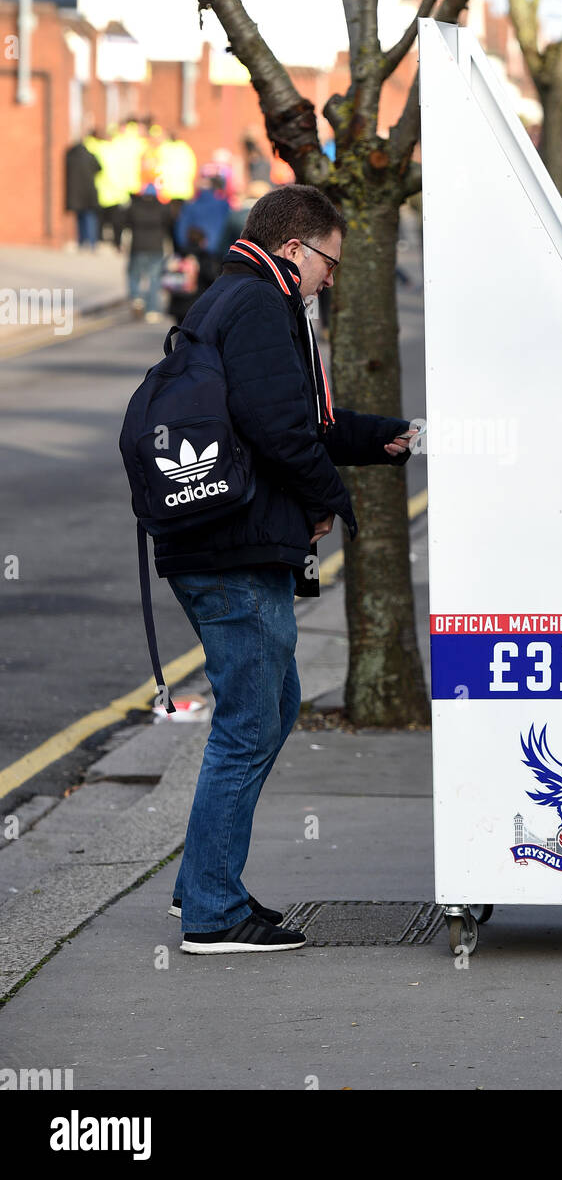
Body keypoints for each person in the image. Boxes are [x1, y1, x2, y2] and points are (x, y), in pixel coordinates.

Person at [154, 184, 418, 954]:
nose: (332, 279)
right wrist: (333, 500)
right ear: (295, 249)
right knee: (249, 720)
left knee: (271, 705)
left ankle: (203, 881)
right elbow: (280, 430)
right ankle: (210, 910)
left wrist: (389, 437)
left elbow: (299, 424)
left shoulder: (230, 299)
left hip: (217, 541)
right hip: (233, 548)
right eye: (329, 263)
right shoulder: (261, 307)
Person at [125, 183, 174, 321]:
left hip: (137, 246)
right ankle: (152, 310)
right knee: (154, 279)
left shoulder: (134, 207)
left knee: (134, 275)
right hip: (156, 247)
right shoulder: (162, 208)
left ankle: (137, 297)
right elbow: (169, 225)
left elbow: (124, 222)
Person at [174, 174, 232, 260]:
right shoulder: (222, 205)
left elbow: (182, 228)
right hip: (218, 250)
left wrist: (184, 247)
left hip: (196, 250)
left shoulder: (191, 206)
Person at [64, 136, 101, 249]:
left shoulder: (70, 156)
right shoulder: (90, 156)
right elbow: (99, 168)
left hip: (75, 194)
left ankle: (81, 241)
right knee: (90, 218)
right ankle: (92, 243)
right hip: (89, 193)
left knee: (80, 218)